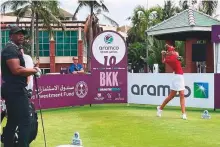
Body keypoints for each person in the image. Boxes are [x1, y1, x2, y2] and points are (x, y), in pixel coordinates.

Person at [1, 26, 41, 147]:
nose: (21, 35)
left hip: (13, 89)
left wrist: (32, 71)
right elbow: (16, 70)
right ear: (11, 36)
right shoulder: (10, 49)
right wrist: (34, 70)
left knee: (13, 120)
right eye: (18, 33)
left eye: (22, 34)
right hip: (15, 90)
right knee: (25, 121)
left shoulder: (14, 49)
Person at [156, 44, 187, 120]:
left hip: (180, 77)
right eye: (172, 50)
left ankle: (183, 114)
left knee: (182, 94)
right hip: (177, 77)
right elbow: (176, 55)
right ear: (170, 52)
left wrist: (164, 54)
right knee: (171, 96)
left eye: (173, 50)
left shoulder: (170, 57)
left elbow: (164, 60)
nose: (174, 51)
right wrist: (165, 53)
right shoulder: (172, 58)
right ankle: (160, 108)